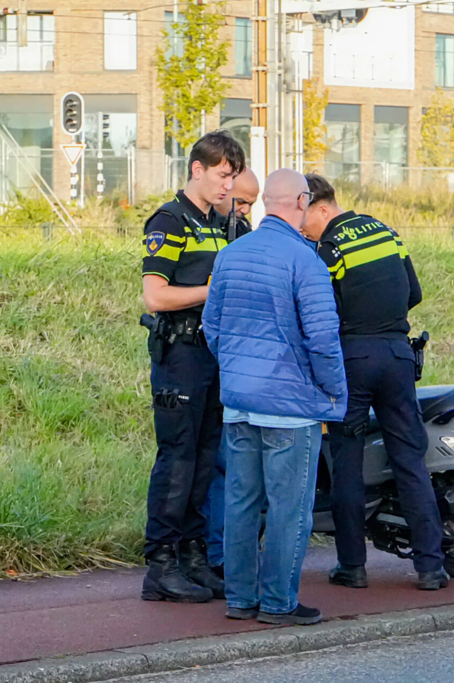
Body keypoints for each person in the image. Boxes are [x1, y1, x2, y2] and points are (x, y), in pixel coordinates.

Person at [202, 169, 347, 626]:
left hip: (239, 402)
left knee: (242, 503)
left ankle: (240, 599)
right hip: (290, 406)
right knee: (289, 509)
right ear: (302, 201)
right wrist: (333, 392)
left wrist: (236, 369)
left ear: (266, 201)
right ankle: (279, 602)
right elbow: (323, 339)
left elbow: (213, 327)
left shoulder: (232, 255)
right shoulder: (306, 261)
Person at [301, 173, 450, 592]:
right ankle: (431, 567)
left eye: (304, 217)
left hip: (354, 359)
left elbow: (323, 308)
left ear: (322, 207)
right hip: (399, 355)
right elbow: (413, 292)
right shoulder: (387, 232)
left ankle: (353, 567)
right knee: (411, 461)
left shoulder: (329, 247)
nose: (302, 228)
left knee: (345, 463)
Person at [140, 130, 246, 603]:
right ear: (197, 170)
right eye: (224, 176)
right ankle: (160, 567)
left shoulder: (219, 223)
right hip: (180, 355)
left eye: (234, 178)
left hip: (213, 354)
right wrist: (213, 292)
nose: (229, 187)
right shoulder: (172, 219)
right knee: (178, 460)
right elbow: (156, 296)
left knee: (205, 460)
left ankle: (194, 558)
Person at [202, 168, 261, 577]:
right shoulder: (208, 232)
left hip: (235, 366)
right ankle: (220, 556)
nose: (245, 211)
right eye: (240, 201)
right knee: (222, 464)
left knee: (232, 465)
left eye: (251, 205)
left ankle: (225, 553)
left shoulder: (237, 232)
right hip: (215, 364)